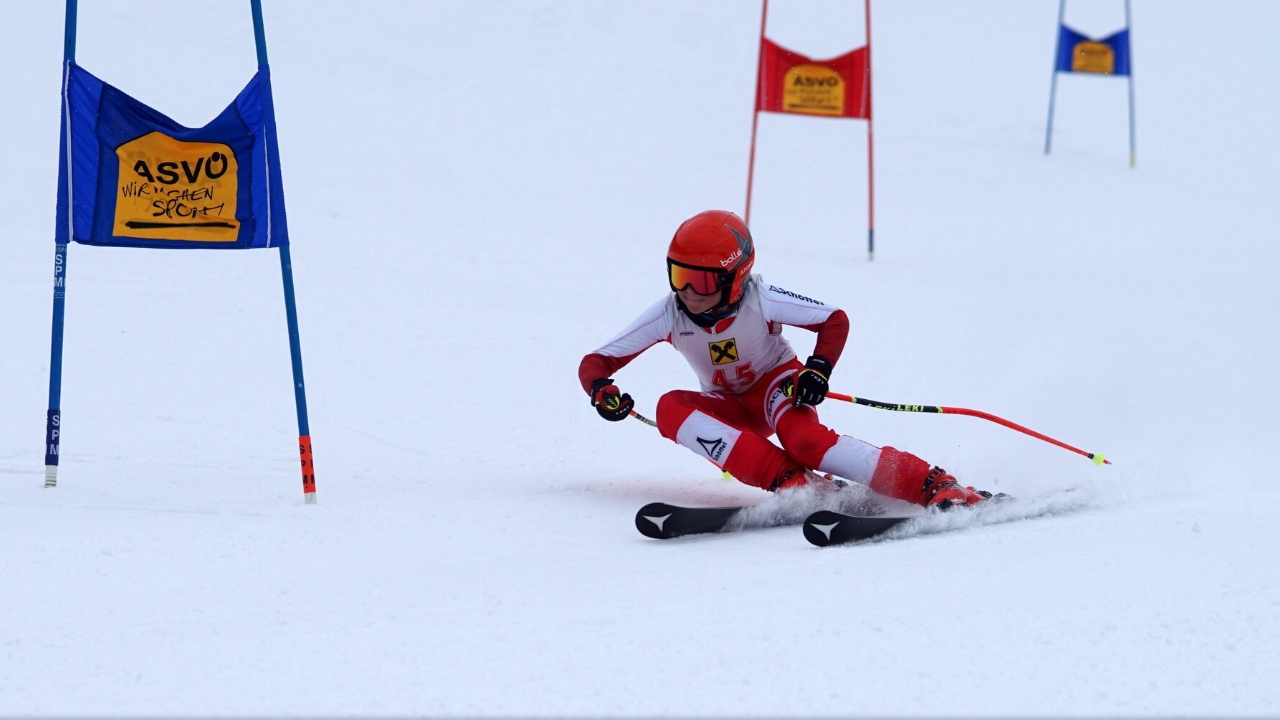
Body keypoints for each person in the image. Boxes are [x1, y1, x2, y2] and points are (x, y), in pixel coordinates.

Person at [578, 209, 996, 509]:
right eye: (678, 276)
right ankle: (795, 483)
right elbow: (596, 361)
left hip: (778, 388)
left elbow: (834, 320)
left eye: (700, 280)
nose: (687, 291)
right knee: (669, 408)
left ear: (736, 277)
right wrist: (602, 390)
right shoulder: (669, 313)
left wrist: (817, 370)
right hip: (729, 409)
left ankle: (932, 484)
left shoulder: (761, 300)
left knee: (806, 442)